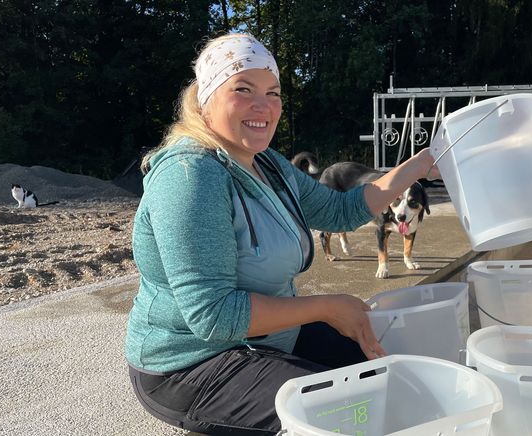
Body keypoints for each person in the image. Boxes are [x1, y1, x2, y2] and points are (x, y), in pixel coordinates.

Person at [125, 33, 440, 435]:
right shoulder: (190, 177)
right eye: (243, 89)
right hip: (189, 363)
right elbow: (214, 316)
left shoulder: (268, 164)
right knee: (340, 414)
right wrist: (327, 307)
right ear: (206, 100)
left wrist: (419, 164)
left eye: (273, 93)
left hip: (269, 336)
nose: (264, 106)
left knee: (380, 373)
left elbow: (338, 210)